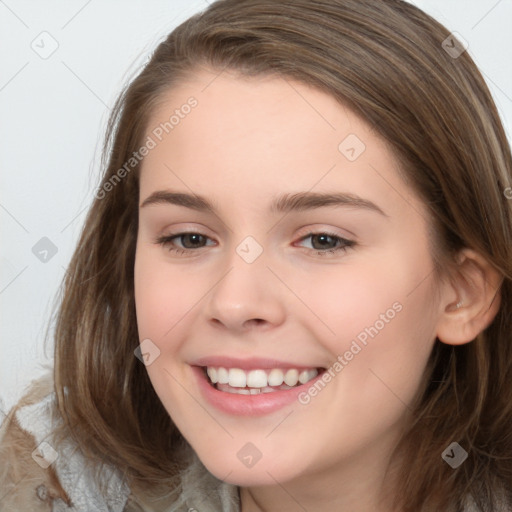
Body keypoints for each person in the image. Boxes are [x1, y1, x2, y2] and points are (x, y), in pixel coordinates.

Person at [1, 0, 511, 510]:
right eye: (189, 238)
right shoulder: (49, 477)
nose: (236, 303)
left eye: (322, 240)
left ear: (461, 293)